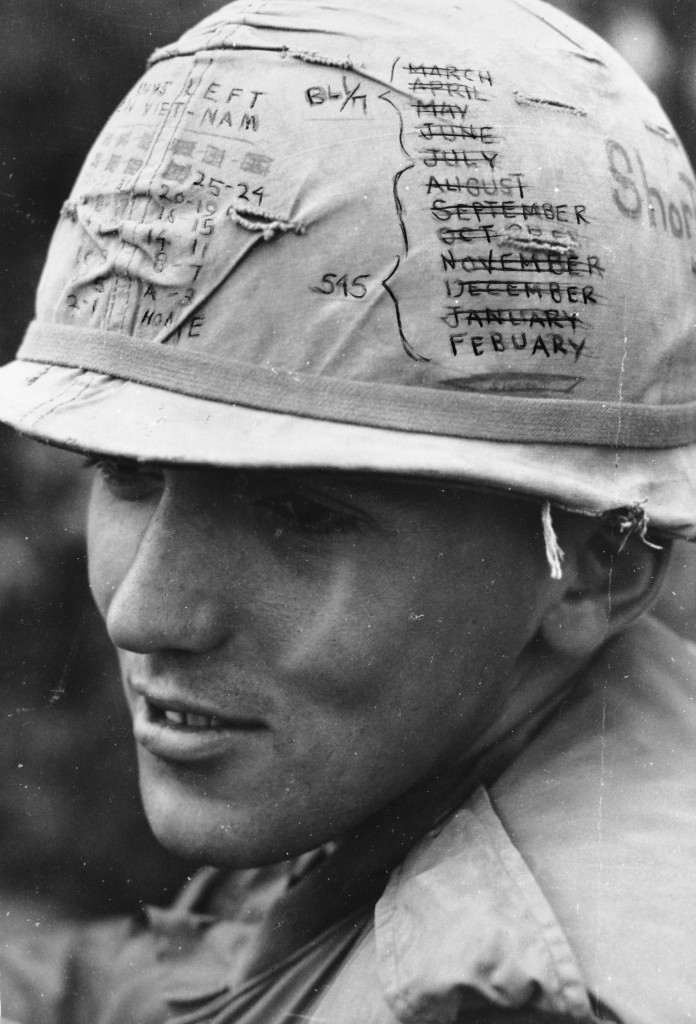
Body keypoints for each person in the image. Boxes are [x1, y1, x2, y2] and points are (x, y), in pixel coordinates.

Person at [0, 0, 695, 1021]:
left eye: (296, 513)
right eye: (130, 475)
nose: (145, 612)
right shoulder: (423, 755)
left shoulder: (498, 993)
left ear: (601, 555)